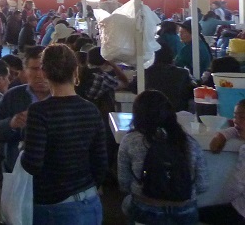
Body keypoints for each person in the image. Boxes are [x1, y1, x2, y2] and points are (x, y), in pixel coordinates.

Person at [22, 45, 108, 224]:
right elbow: (101, 161)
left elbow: (33, 165)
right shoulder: (91, 109)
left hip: (54, 205)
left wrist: (24, 149)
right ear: (76, 71)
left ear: (44, 72)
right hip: (89, 200)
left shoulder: (39, 111)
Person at [119, 90, 209, 225]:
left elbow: (124, 183)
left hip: (146, 209)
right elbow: (203, 185)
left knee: (126, 203)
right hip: (185, 211)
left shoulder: (130, 140)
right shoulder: (188, 141)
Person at [0, 46, 48, 173]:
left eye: (44, 69)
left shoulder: (63, 96)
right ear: (25, 71)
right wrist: (11, 123)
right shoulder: (13, 96)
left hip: (53, 176)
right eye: (34, 69)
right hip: (16, 171)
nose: (40, 74)